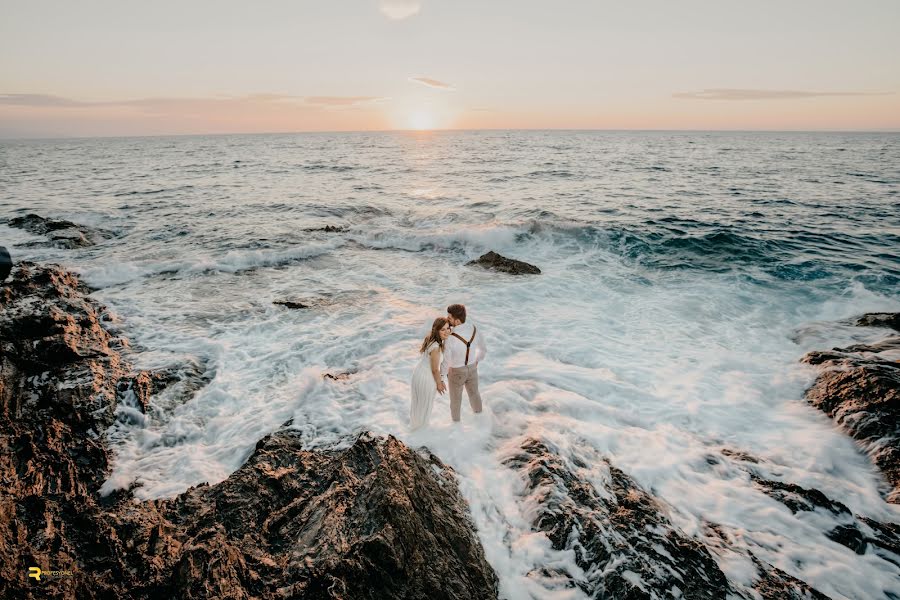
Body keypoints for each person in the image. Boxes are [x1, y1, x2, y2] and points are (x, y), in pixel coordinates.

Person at [442, 304, 487, 422]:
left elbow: (446, 361)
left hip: (456, 372)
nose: (447, 319)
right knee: (475, 395)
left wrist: (441, 377)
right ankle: (480, 421)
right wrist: (476, 361)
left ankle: (456, 427)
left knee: (455, 401)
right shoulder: (474, 329)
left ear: (457, 321)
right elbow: (483, 349)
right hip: (472, 369)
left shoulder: (450, 337)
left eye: (450, 318)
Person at [410, 317, 451, 430]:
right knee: (424, 407)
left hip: (419, 373)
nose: (447, 331)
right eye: (443, 329)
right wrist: (439, 383)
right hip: (426, 377)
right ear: (436, 330)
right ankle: (419, 434)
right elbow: (434, 369)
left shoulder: (430, 338)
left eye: (448, 328)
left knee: (419, 406)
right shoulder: (436, 348)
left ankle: (415, 431)